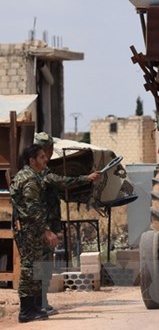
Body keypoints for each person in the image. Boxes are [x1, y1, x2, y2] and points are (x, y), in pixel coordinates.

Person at [33, 132, 101, 315]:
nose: (48, 153)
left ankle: (40, 302)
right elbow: (60, 182)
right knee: (43, 264)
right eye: (47, 149)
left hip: (44, 224)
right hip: (44, 226)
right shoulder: (40, 172)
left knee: (43, 264)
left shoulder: (39, 169)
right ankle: (39, 303)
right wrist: (86, 178)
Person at [10, 144, 54, 323]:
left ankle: (35, 307)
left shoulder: (30, 176)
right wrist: (46, 231)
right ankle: (26, 310)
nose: (46, 160)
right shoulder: (29, 179)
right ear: (32, 160)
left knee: (35, 266)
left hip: (31, 229)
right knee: (29, 268)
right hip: (29, 230)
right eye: (42, 157)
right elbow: (32, 208)